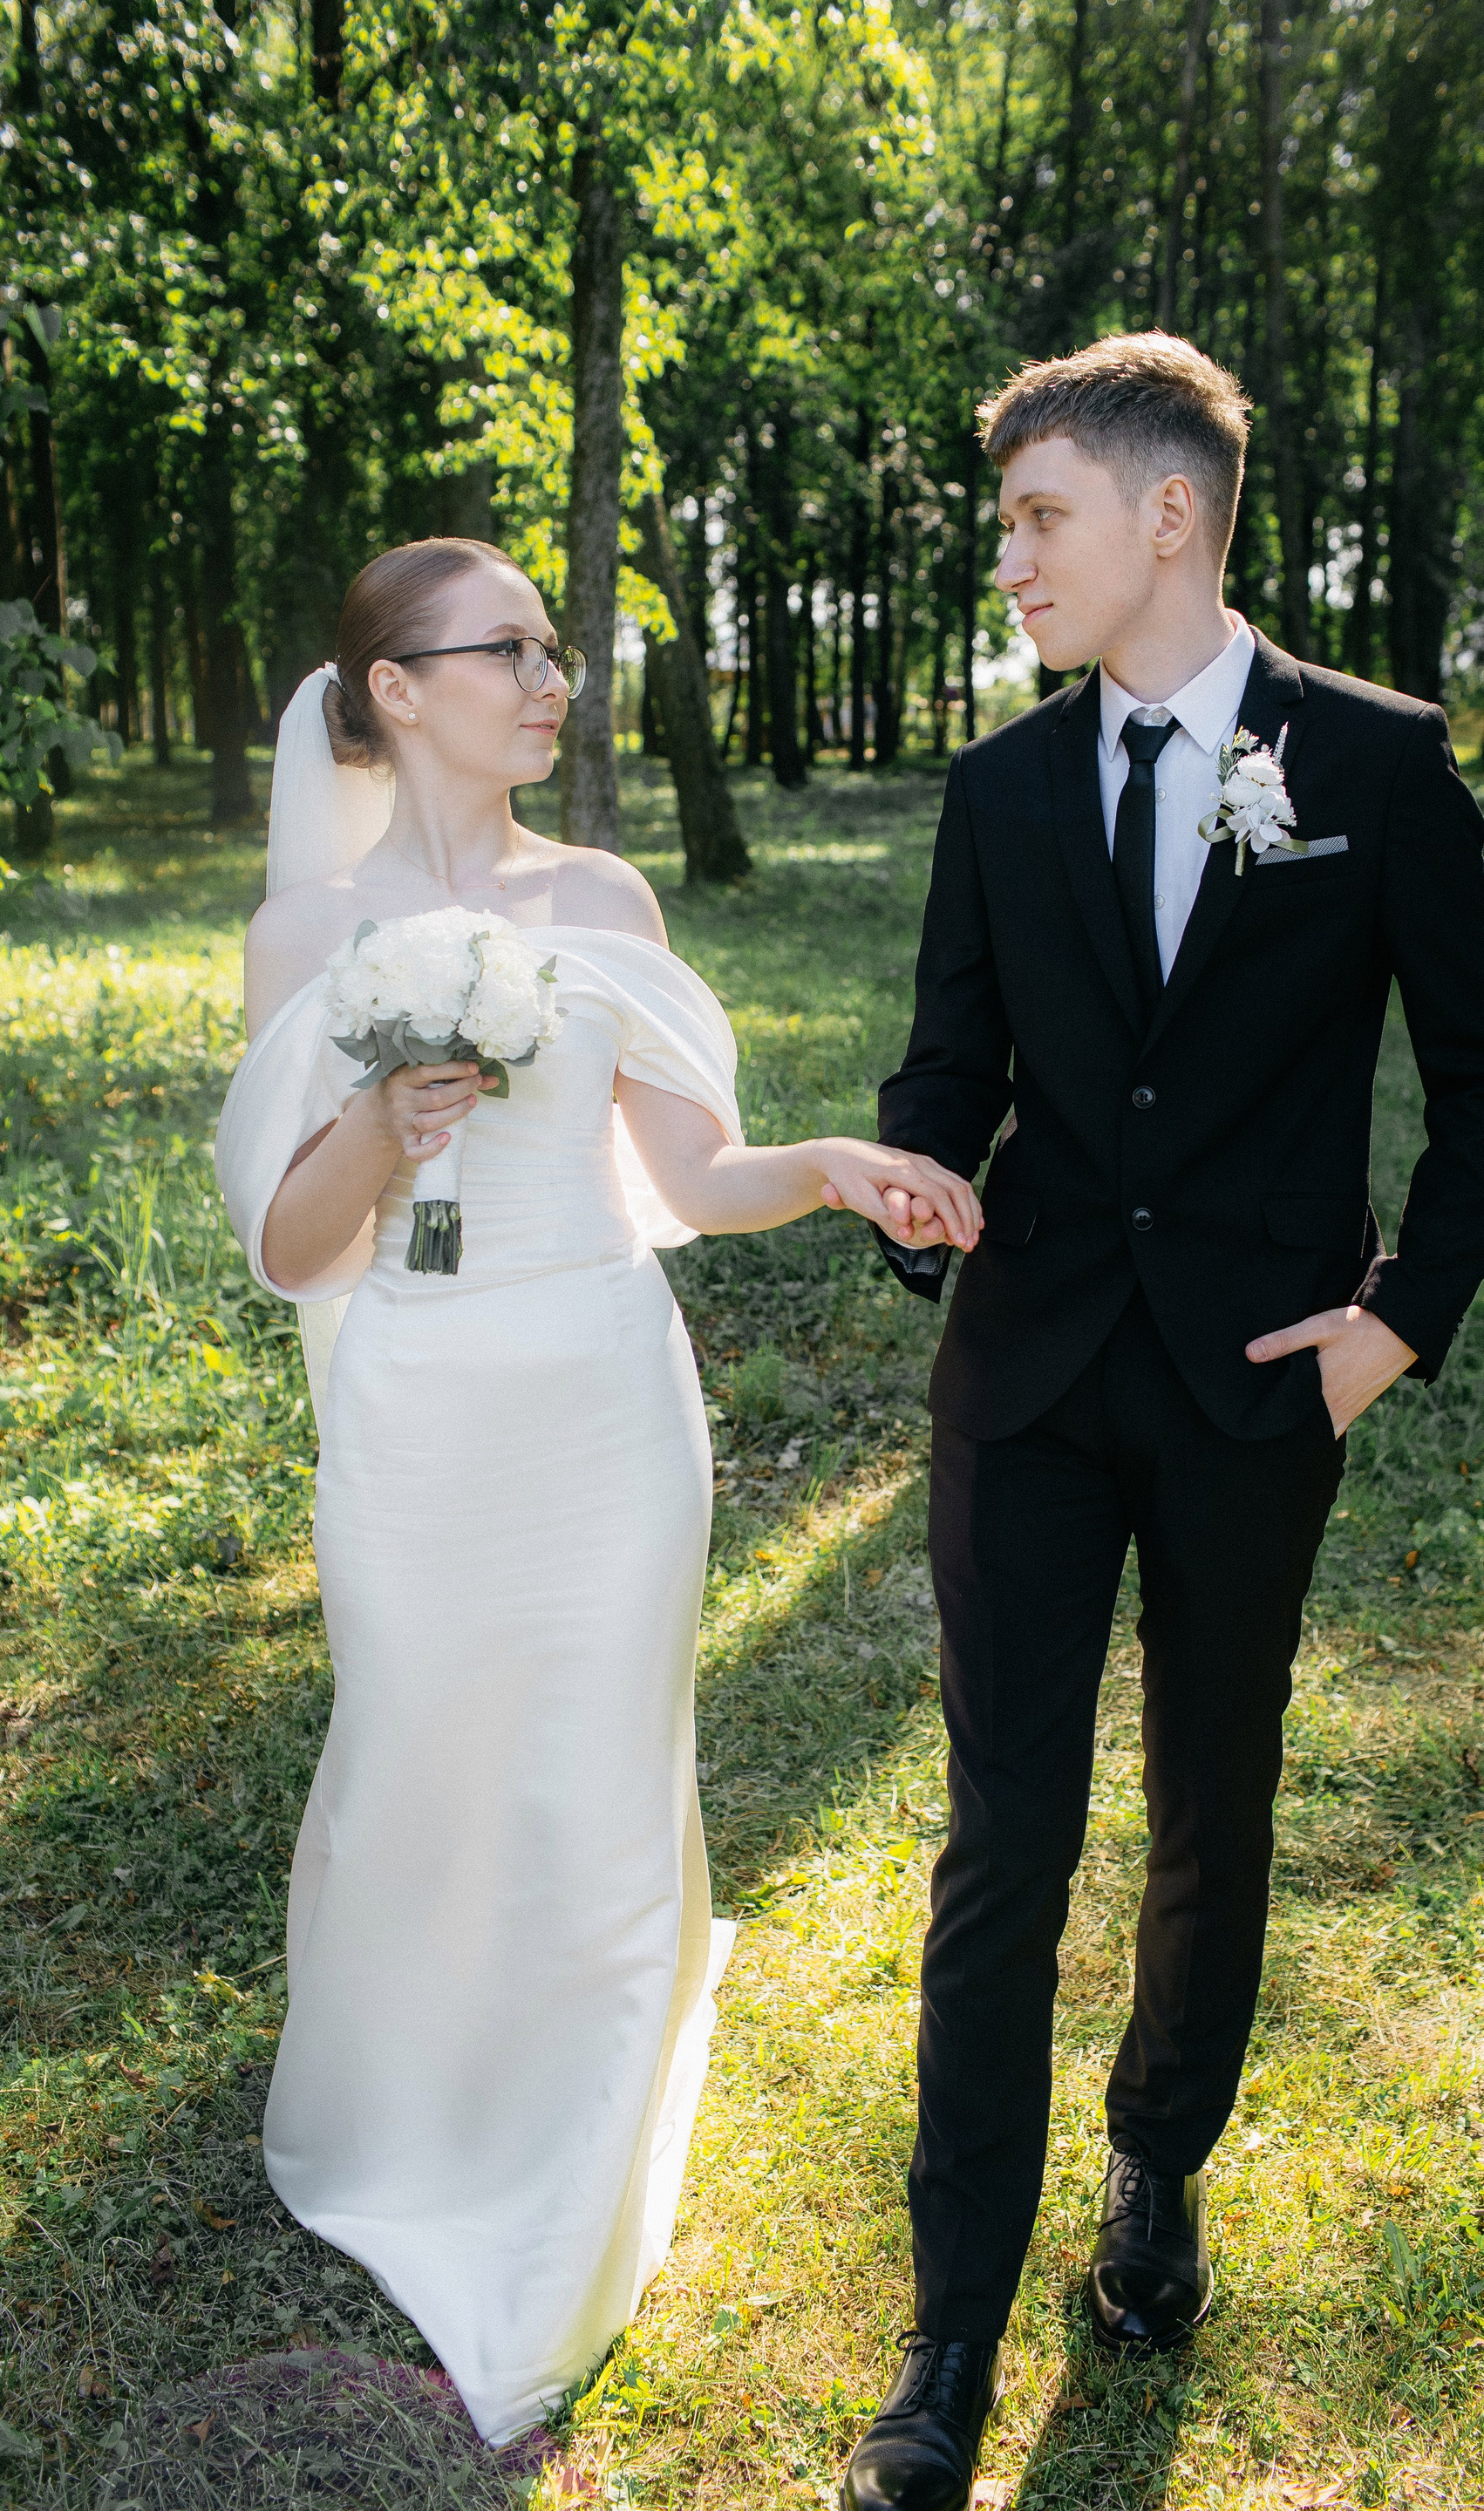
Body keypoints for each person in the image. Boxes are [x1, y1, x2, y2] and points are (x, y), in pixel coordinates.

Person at [839, 336, 1484, 2511]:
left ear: (1169, 517)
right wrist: (917, 1182)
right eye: (1006, 526)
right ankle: (952, 2327)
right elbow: (953, 1062)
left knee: (1211, 1808)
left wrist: (1392, 1326)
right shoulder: (1001, 790)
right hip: (1029, 1381)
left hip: (1256, 1387)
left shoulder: (1378, 761)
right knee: (1005, 1842)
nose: (1010, 561)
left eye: (1037, 517)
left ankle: (1156, 2161)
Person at [214, 535, 979, 2448]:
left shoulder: (604, 897)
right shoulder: (309, 937)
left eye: (558, 649)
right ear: (398, 692)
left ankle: (564, 2189)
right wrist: (380, 1127)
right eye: (511, 651)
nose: (554, 679)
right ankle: (410, 2105)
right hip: (418, 1411)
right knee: (422, 1750)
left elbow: (696, 1179)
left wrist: (831, 1163)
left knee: (596, 1770)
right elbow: (295, 1252)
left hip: (606, 1405)